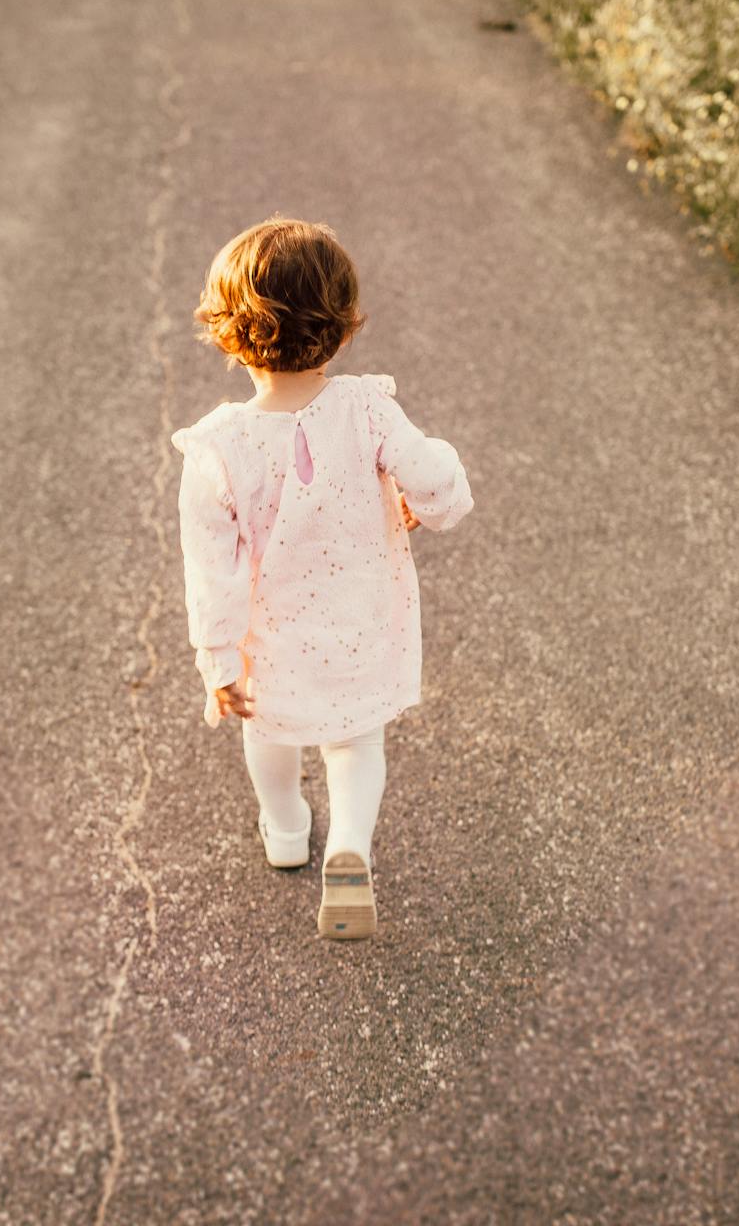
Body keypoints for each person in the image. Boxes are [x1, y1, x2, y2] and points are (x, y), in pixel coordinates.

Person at [170, 215, 473, 940]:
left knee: (268, 731)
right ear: (341, 327)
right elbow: (433, 478)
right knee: (355, 743)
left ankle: (284, 829)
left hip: (270, 638)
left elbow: (210, 569)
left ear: (227, 332)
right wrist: (429, 499)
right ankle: (349, 846)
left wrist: (217, 660)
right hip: (363, 622)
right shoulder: (367, 409)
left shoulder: (218, 448)